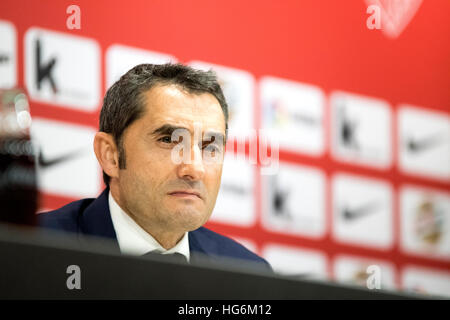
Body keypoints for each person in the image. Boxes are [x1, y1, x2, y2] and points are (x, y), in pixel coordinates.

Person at [38, 63, 271, 269]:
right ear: (111, 155)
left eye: (210, 147)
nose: (194, 169)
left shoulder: (247, 273)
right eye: (168, 140)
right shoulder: (31, 247)